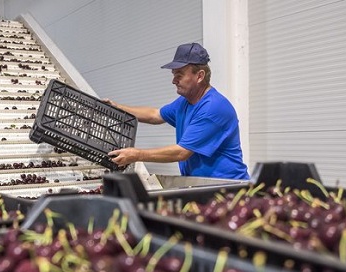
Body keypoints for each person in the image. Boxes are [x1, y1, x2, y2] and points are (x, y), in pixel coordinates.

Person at [106, 42, 249, 180]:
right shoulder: (185, 102)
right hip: (200, 184)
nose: (174, 80)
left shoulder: (212, 108)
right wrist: (117, 107)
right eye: (174, 74)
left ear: (199, 76)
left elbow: (182, 152)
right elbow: (155, 115)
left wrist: (137, 155)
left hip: (228, 188)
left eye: (179, 75)